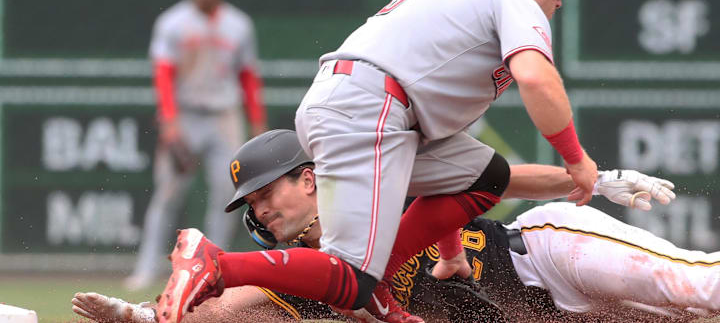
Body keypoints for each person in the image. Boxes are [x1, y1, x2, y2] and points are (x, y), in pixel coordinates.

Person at [155, 0, 604, 322]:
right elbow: (536, 79)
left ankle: (381, 276)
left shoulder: (453, 3)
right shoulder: (515, 0)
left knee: (488, 176)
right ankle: (217, 264)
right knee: (351, 281)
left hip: (362, 107)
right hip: (372, 111)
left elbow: (449, 168)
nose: (558, 0)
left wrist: (450, 253)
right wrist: (576, 159)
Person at [72, 130, 720, 323]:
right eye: (250, 204)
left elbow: (492, 177)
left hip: (543, 256)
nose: (260, 211)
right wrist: (144, 316)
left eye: (266, 192)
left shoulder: (368, 183)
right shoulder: (300, 275)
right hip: (545, 316)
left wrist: (593, 181)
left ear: (306, 178)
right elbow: (229, 303)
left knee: (697, 289)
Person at [124, 0, 268, 291]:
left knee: (226, 193)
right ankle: (146, 269)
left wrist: (257, 121)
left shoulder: (238, 24)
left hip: (223, 115)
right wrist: (170, 121)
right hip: (186, 115)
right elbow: (163, 74)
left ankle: (215, 269)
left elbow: (248, 76)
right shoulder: (173, 23)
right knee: (168, 193)